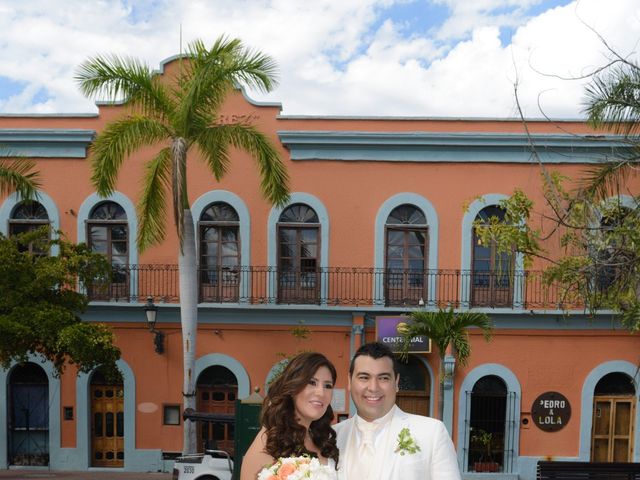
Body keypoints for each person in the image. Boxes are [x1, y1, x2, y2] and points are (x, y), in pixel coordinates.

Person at [334, 342, 461, 480]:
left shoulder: (432, 433)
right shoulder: (331, 437)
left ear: (396, 382)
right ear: (349, 381)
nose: (373, 387)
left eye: (383, 378)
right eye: (364, 377)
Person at [240, 352, 340, 480]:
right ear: (292, 387)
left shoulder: (322, 440)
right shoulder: (269, 442)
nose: (321, 393)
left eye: (328, 386)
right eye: (312, 382)